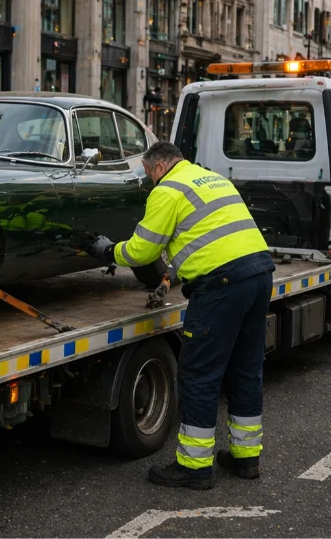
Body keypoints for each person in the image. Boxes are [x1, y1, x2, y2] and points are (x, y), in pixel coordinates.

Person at [84, 141, 274, 490]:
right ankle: (247, 459)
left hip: (222, 285)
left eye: (147, 175)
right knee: (245, 370)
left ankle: (194, 467)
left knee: (199, 374)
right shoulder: (210, 178)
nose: (148, 183)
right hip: (260, 275)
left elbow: (143, 249)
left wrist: (108, 251)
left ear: (158, 167)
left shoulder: (167, 190)